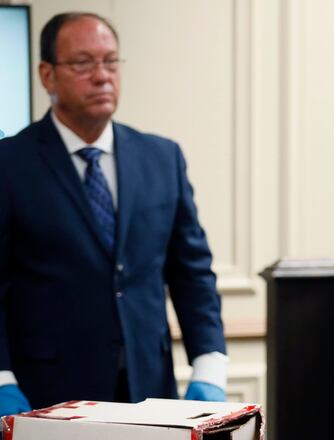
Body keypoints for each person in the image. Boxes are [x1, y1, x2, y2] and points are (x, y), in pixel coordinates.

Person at [0, 12, 227, 416]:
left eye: (110, 61)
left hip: (149, 387)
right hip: (45, 395)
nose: (102, 75)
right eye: (83, 63)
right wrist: (1, 378)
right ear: (47, 75)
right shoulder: (10, 164)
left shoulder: (162, 157)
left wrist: (209, 365)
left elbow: (191, 271)